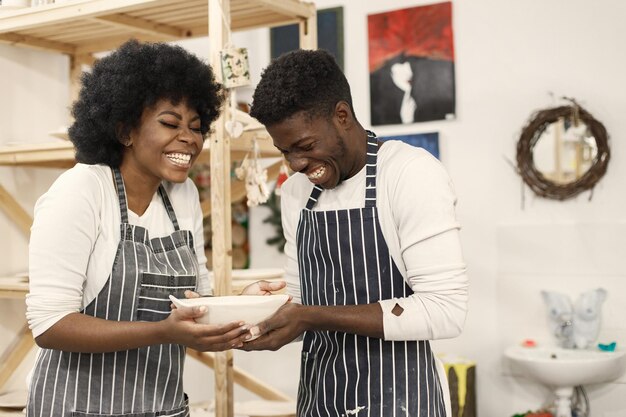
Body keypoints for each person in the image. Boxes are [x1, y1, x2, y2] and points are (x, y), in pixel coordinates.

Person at [25, 40, 282, 417]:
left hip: (161, 407)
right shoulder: (81, 191)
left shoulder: (183, 194)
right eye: (170, 123)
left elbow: (197, 303)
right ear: (126, 130)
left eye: (195, 127)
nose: (189, 139)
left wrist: (244, 302)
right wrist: (163, 332)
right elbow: (50, 325)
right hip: (76, 407)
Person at [242, 49, 469, 417]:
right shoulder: (298, 193)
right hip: (321, 399)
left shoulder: (409, 174)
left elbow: (445, 311)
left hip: (401, 400)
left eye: (305, 147)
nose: (296, 165)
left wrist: (311, 317)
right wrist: (260, 310)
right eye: (285, 152)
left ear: (342, 116)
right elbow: (302, 301)